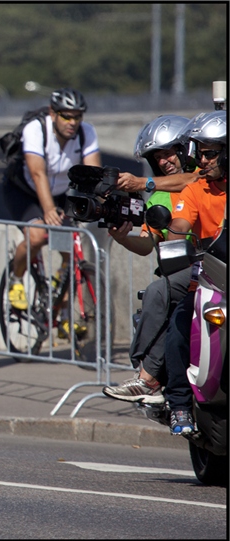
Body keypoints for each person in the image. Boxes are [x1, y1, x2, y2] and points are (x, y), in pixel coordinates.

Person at [103, 115, 200, 404]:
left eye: (168, 153)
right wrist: (121, 237)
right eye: (157, 157)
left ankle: (147, 378)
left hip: (208, 264)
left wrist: (142, 182)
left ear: (185, 150)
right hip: (179, 270)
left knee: (160, 292)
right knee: (157, 294)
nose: (164, 161)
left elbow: (191, 179)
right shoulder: (156, 196)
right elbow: (147, 245)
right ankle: (150, 376)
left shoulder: (204, 178)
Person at [4, 88, 101, 314]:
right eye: (67, 116)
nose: (72, 122)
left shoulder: (87, 133)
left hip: (60, 192)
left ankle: (61, 303)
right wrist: (48, 210)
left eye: (77, 116)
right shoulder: (36, 129)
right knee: (37, 236)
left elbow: (94, 174)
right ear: (53, 113)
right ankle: (15, 280)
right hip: (25, 190)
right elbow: (38, 173)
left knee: (71, 246)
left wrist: (100, 206)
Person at [161, 110, 227, 435]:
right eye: (200, 152)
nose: (202, 160)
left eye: (210, 153)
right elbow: (181, 224)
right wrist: (176, 238)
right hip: (211, 281)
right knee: (178, 330)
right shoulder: (196, 189)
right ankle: (179, 406)